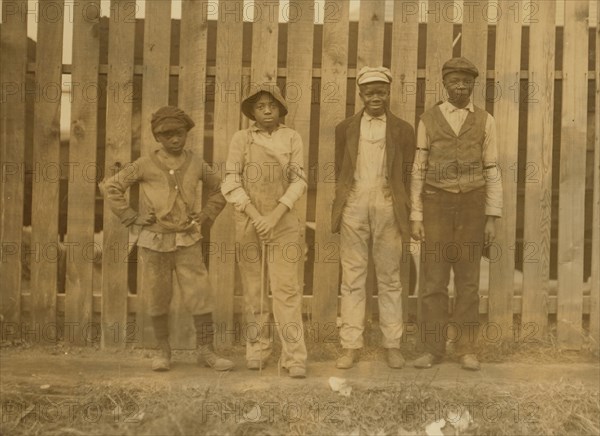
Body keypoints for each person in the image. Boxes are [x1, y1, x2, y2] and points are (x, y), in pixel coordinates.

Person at [101, 106, 234, 372]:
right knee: (158, 296)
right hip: (154, 243)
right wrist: (131, 216)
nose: (175, 139)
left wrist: (205, 215)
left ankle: (206, 350)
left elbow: (221, 189)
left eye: (180, 133)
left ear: (187, 133)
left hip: (188, 241)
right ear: (157, 137)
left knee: (200, 294)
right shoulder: (144, 164)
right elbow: (111, 186)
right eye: (167, 135)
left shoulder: (196, 162)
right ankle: (163, 350)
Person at [410, 57, 503, 371]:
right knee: (434, 281)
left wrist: (492, 216)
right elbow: (418, 169)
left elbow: (492, 169)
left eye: (467, 82)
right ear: (445, 83)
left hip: (472, 207)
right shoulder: (428, 119)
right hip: (435, 204)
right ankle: (432, 349)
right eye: (455, 81)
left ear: (473, 85)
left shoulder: (485, 120)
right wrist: (417, 215)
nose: (461, 87)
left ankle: (465, 348)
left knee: (468, 282)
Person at [221, 83, 308, 378]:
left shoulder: (292, 137)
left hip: (282, 220)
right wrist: (257, 216)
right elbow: (231, 181)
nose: (267, 110)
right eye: (260, 106)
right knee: (254, 288)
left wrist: (274, 215)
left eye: (271, 105)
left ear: (280, 108)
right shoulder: (241, 139)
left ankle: (294, 356)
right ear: (252, 112)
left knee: (286, 289)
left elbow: (299, 181)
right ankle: (258, 348)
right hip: (249, 219)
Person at [331, 66, 416, 369]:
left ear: (388, 92)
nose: (375, 95)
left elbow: (406, 174)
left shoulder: (403, 129)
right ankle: (351, 345)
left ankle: (392, 344)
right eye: (369, 90)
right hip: (354, 203)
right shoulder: (345, 128)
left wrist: (403, 206)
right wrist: (346, 200)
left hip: (387, 203)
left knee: (390, 278)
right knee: (353, 277)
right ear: (361, 94)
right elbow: (340, 169)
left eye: (381, 90)